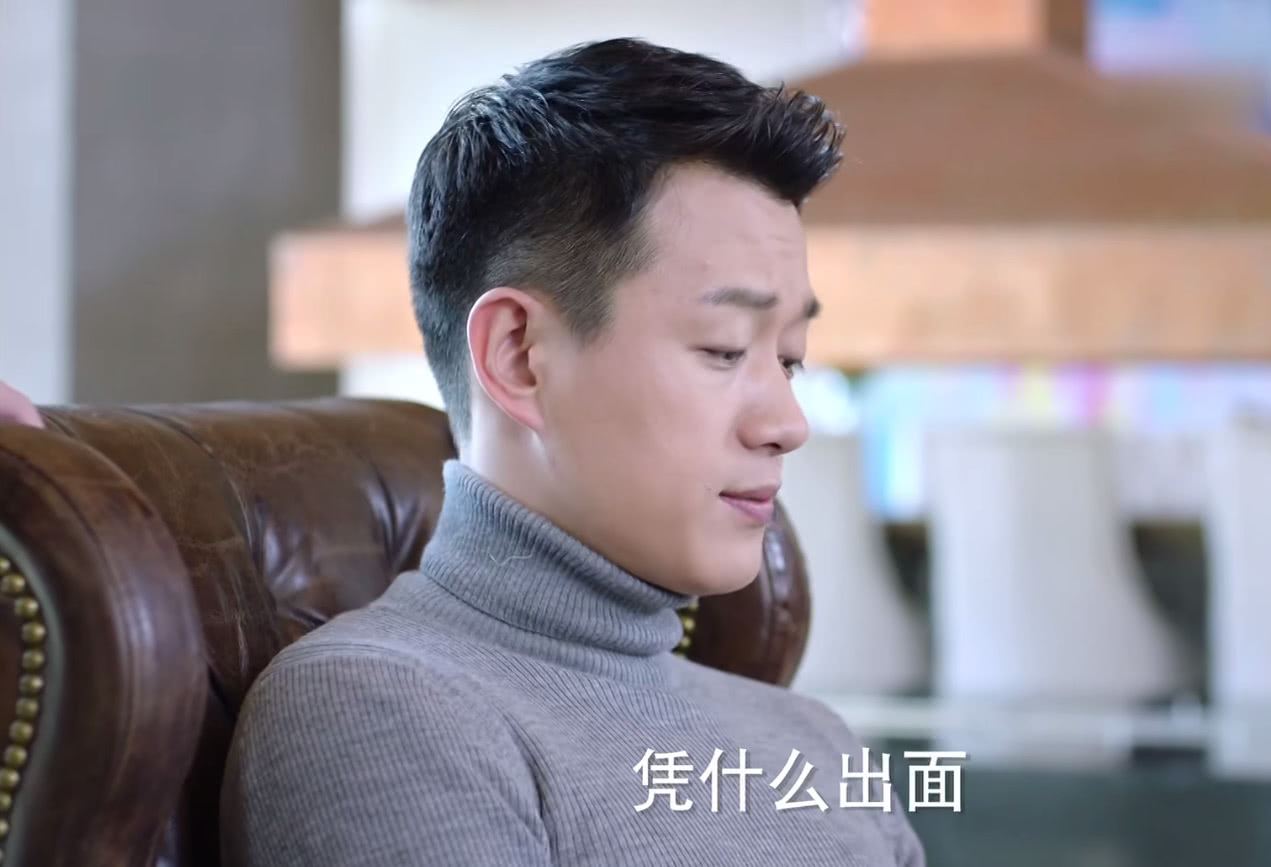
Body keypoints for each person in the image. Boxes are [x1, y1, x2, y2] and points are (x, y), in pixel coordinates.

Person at [213, 38, 928, 866]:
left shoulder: (814, 743)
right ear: (519, 356)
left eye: (790, 358)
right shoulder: (376, 710)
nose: (787, 422)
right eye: (725, 348)